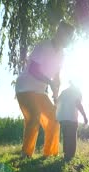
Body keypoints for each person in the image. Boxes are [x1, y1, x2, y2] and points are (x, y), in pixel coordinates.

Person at [15, 21, 75, 158]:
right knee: (34, 116)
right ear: (59, 32)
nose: (69, 39)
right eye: (68, 35)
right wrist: (49, 82)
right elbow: (33, 70)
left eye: (71, 37)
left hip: (40, 92)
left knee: (54, 119)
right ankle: (26, 154)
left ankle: (49, 154)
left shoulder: (61, 55)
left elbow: (57, 77)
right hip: (25, 88)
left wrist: (55, 95)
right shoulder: (43, 46)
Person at [56, 83, 88, 161]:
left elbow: (57, 102)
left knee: (66, 137)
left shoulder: (64, 92)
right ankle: (70, 156)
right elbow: (78, 104)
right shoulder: (76, 91)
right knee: (72, 137)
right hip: (71, 118)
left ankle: (66, 154)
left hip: (62, 118)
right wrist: (84, 116)